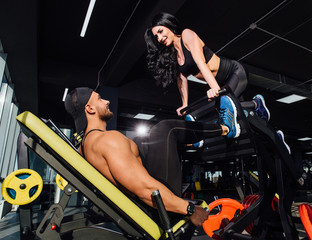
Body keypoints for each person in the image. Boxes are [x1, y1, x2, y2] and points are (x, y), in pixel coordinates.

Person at [64, 87, 240, 227]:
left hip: (144, 208)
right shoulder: (107, 140)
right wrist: (189, 209)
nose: (107, 101)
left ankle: (188, 140)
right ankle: (225, 128)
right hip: (159, 212)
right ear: (90, 108)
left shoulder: (86, 146)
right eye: (100, 99)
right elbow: (145, 189)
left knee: (142, 140)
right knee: (165, 129)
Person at [144, 12, 268, 121]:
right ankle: (263, 119)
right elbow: (182, 79)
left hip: (234, 72)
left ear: (169, 25)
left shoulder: (187, 35)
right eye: (156, 37)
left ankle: (256, 104)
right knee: (241, 116)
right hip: (222, 84)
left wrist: (215, 89)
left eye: (160, 31)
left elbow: (200, 62)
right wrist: (185, 104)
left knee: (224, 109)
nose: (160, 38)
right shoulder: (173, 55)